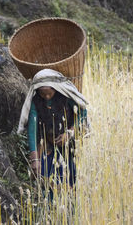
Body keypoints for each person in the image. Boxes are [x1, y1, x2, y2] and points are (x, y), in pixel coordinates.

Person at [17, 68, 88, 197]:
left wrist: (69, 133)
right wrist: (34, 159)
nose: (46, 97)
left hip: (68, 144)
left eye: (49, 93)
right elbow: (32, 130)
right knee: (45, 174)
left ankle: (70, 201)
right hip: (46, 143)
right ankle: (50, 204)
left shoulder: (66, 97)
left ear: (56, 89)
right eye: (43, 94)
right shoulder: (36, 102)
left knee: (70, 171)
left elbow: (82, 112)